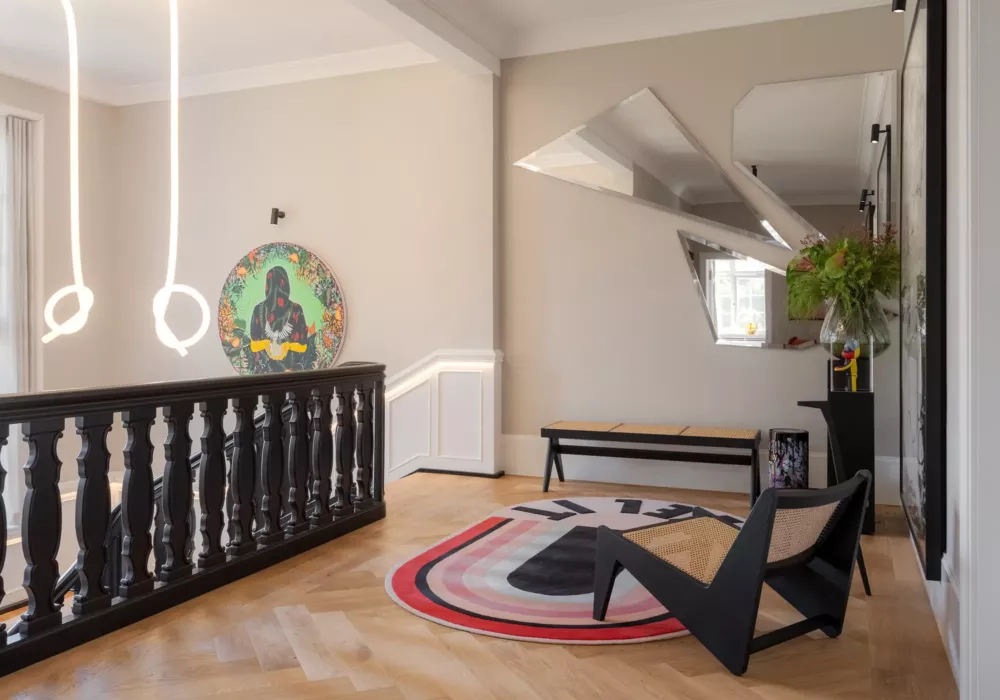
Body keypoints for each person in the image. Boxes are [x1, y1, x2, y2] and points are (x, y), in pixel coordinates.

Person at [249, 266, 309, 371]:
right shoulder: (296, 309)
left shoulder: (258, 309)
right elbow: (253, 346)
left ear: (267, 285)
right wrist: (267, 344)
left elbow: (304, 347)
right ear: (286, 285)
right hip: (268, 371)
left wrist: (287, 346)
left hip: (289, 372)